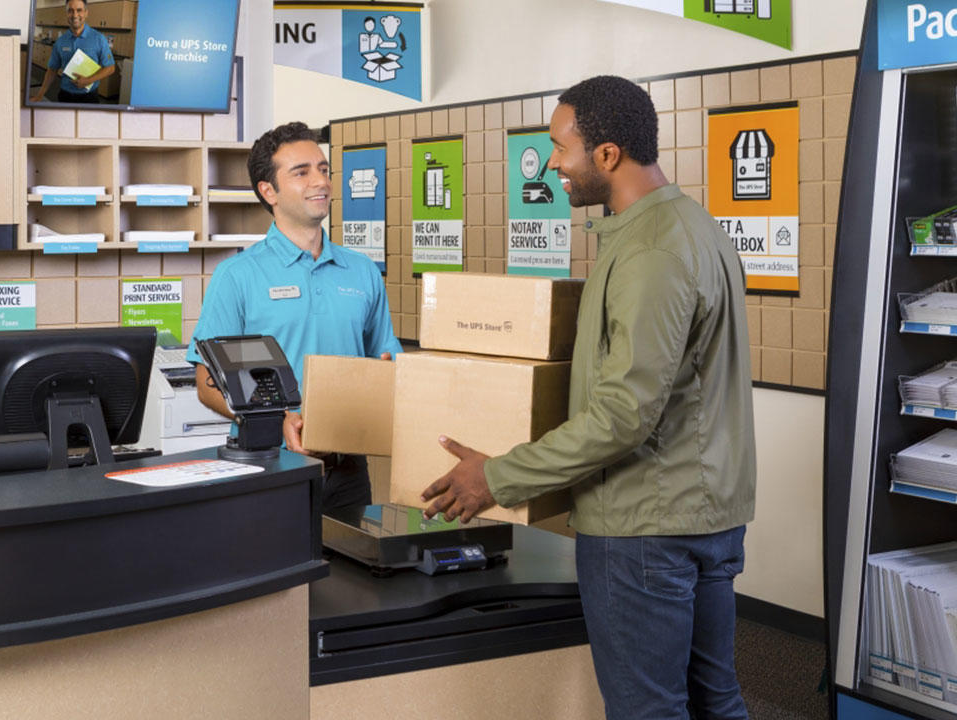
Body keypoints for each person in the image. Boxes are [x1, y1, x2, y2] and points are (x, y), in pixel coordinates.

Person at [421, 75, 756, 720]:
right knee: (716, 699)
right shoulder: (694, 226)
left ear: (606, 155)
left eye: (560, 147)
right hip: (706, 514)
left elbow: (624, 413)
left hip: (646, 527)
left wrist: (497, 476)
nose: (553, 163)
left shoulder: (650, 250)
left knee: (647, 709)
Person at [187, 121, 402, 509]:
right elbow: (206, 381)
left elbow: (386, 359)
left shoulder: (363, 271)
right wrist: (275, 421)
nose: (319, 181)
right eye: (301, 173)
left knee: (351, 570)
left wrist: (388, 378)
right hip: (269, 463)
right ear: (268, 191)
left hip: (350, 468)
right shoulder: (237, 276)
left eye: (323, 169)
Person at [30, 0, 116, 104]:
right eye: (70, 11)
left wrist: (89, 80)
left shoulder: (99, 39)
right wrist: (39, 95)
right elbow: (52, 70)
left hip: (90, 98)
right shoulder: (60, 41)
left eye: (79, 10)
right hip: (65, 96)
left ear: (86, 13)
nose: (75, 15)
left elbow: (110, 68)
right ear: (66, 14)